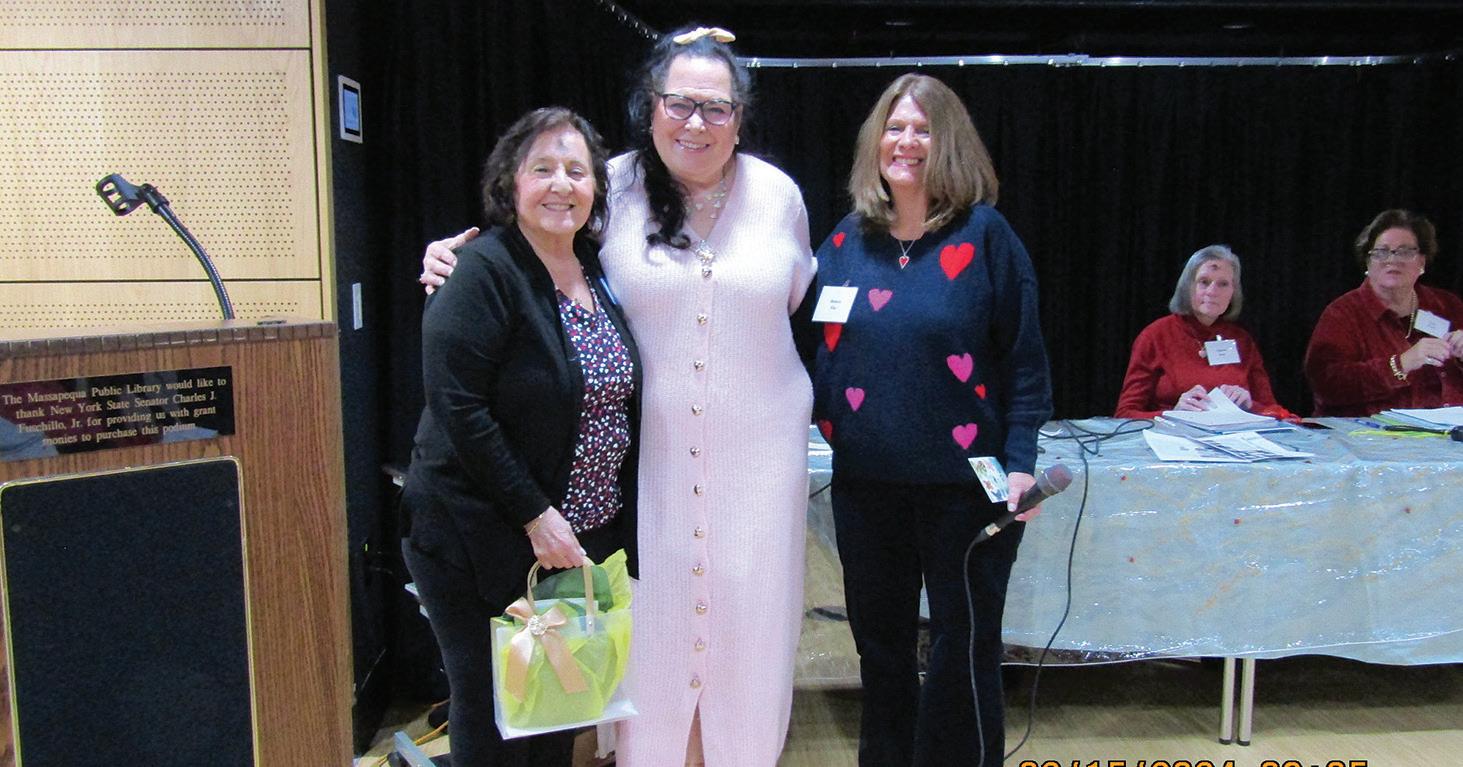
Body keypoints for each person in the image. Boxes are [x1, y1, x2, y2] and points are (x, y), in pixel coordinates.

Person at [421, 27, 814, 767]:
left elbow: (795, 307)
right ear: (650, 107)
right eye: (679, 102)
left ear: (740, 118)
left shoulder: (779, 198)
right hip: (646, 481)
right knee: (651, 648)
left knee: (749, 644)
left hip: (757, 476)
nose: (695, 122)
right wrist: (452, 253)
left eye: (716, 107)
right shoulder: (614, 187)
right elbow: (538, 244)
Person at [811, 74, 1052, 767]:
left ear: (949, 142)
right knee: (880, 648)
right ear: (875, 141)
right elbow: (803, 343)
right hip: (866, 486)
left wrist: (1021, 465)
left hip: (966, 490)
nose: (906, 141)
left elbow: (1025, 363)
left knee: (962, 648)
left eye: (922, 129)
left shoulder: (986, 237)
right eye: (894, 127)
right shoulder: (844, 241)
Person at [400, 106, 641, 767]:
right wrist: (536, 515)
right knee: (493, 710)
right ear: (510, 182)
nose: (561, 184)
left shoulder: (594, 268)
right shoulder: (480, 269)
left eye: (576, 170)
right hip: (482, 535)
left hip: (574, 540)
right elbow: (458, 405)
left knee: (557, 708)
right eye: (543, 169)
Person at [1305, 209, 1463, 416]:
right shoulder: (1343, 314)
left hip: (1450, 429)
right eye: (1381, 252)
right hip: (1365, 431)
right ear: (1368, 262)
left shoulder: (1447, 305)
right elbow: (1327, 385)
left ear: (1422, 262)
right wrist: (1400, 364)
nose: (1392, 260)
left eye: (1404, 252)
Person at [1114, 245, 1293, 419]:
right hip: (1174, 435)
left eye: (1223, 284)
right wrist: (1173, 414)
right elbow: (1125, 414)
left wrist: (1250, 405)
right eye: (1204, 282)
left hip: (1233, 436)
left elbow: (1273, 411)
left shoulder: (1242, 340)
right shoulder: (1155, 336)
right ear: (1187, 287)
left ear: (1233, 292)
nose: (1212, 291)